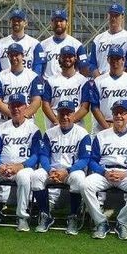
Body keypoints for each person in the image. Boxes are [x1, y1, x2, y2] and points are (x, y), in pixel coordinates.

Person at [0, 94, 43, 232]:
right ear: (8, 107)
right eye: (13, 105)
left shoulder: (34, 129)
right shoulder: (2, 128)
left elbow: (36, 155)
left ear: (25, 107)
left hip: (24, 167)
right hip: (3, 167)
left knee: (24, 177)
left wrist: (21, 166)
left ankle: (22, 217)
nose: (16, 108)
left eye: (19, 105)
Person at [82, 99, 127, 240]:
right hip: (104, 173)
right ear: (112, 115)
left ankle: (122, 223)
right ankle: (101, 222)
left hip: (126, 174)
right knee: (86, 185)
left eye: (123, 113)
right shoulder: (101, 135)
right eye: (116, 113)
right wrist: (103, 172)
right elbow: (92, 160)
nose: (119, 116)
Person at [33, 100, 91, 234]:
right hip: (52, 171)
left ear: (73, 115)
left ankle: (73, 216)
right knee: (36, 176)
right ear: (57, 115)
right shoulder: (49, 133)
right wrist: (49, 170)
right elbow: (43, 155)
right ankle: (45, 215)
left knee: (78, 179)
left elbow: (85, 159)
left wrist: (67, 171)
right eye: (62, 113)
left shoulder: (82, 134)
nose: (65, 117)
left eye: (68, 113)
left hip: (72, 171)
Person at [89, 44, 127, 135]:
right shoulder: (98, 81)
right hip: (101, 128)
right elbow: (94, 107)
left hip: (124, 127)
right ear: (108, 60)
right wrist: (106, 126)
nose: (115, 61)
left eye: (117, 58)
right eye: (112, 58)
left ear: (123, 60)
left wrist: (122, 123)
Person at [0, 42, 44, 121]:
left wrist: (23, 116)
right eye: (11, 55)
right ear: (8, 56)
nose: (14, 58)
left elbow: (37, 101)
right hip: (6, 120)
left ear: (22, 55)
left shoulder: (33, 76)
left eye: (16, 55)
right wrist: (14, 115)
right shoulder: (0, 77)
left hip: (27, 120)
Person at [41, 46, 91, 128]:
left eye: (70, 56)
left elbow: (85, 107)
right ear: (59, 58)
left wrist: (70, 121)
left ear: (75, 58)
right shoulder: (51, 81)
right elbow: (45, 105)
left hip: (77, 126)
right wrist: (56, 121)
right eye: (64, 56)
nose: (67, 59)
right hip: (55, 126)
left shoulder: (83, 81)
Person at [84, 3, 127, 77]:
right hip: (101, 78)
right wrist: (99, 80)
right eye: (111, 15)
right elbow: (92, 63)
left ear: (122, 17)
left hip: (121, 80)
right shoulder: (98, 39)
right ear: (107, 16)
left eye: (116, 15)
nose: (113, 18)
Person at [0, 8, 43, 75]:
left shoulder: (34, 43)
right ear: (10, 23)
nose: (16, 23)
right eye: (13, 20)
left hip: (27, 81)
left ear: (25, 23)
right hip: (6, 81)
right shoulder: (0, 43)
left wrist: (33, 79)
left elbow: (38, 66)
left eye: (19, 20)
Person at [38, 9, 86, 79]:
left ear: (67, 23)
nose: (58, 23)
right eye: (55, 21)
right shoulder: (43, 45)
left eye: (61, 21)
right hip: (49, 84)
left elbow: (84, 68)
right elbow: (40, 67)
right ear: (51, 23)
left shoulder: (76, 44)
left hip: (69, 85)